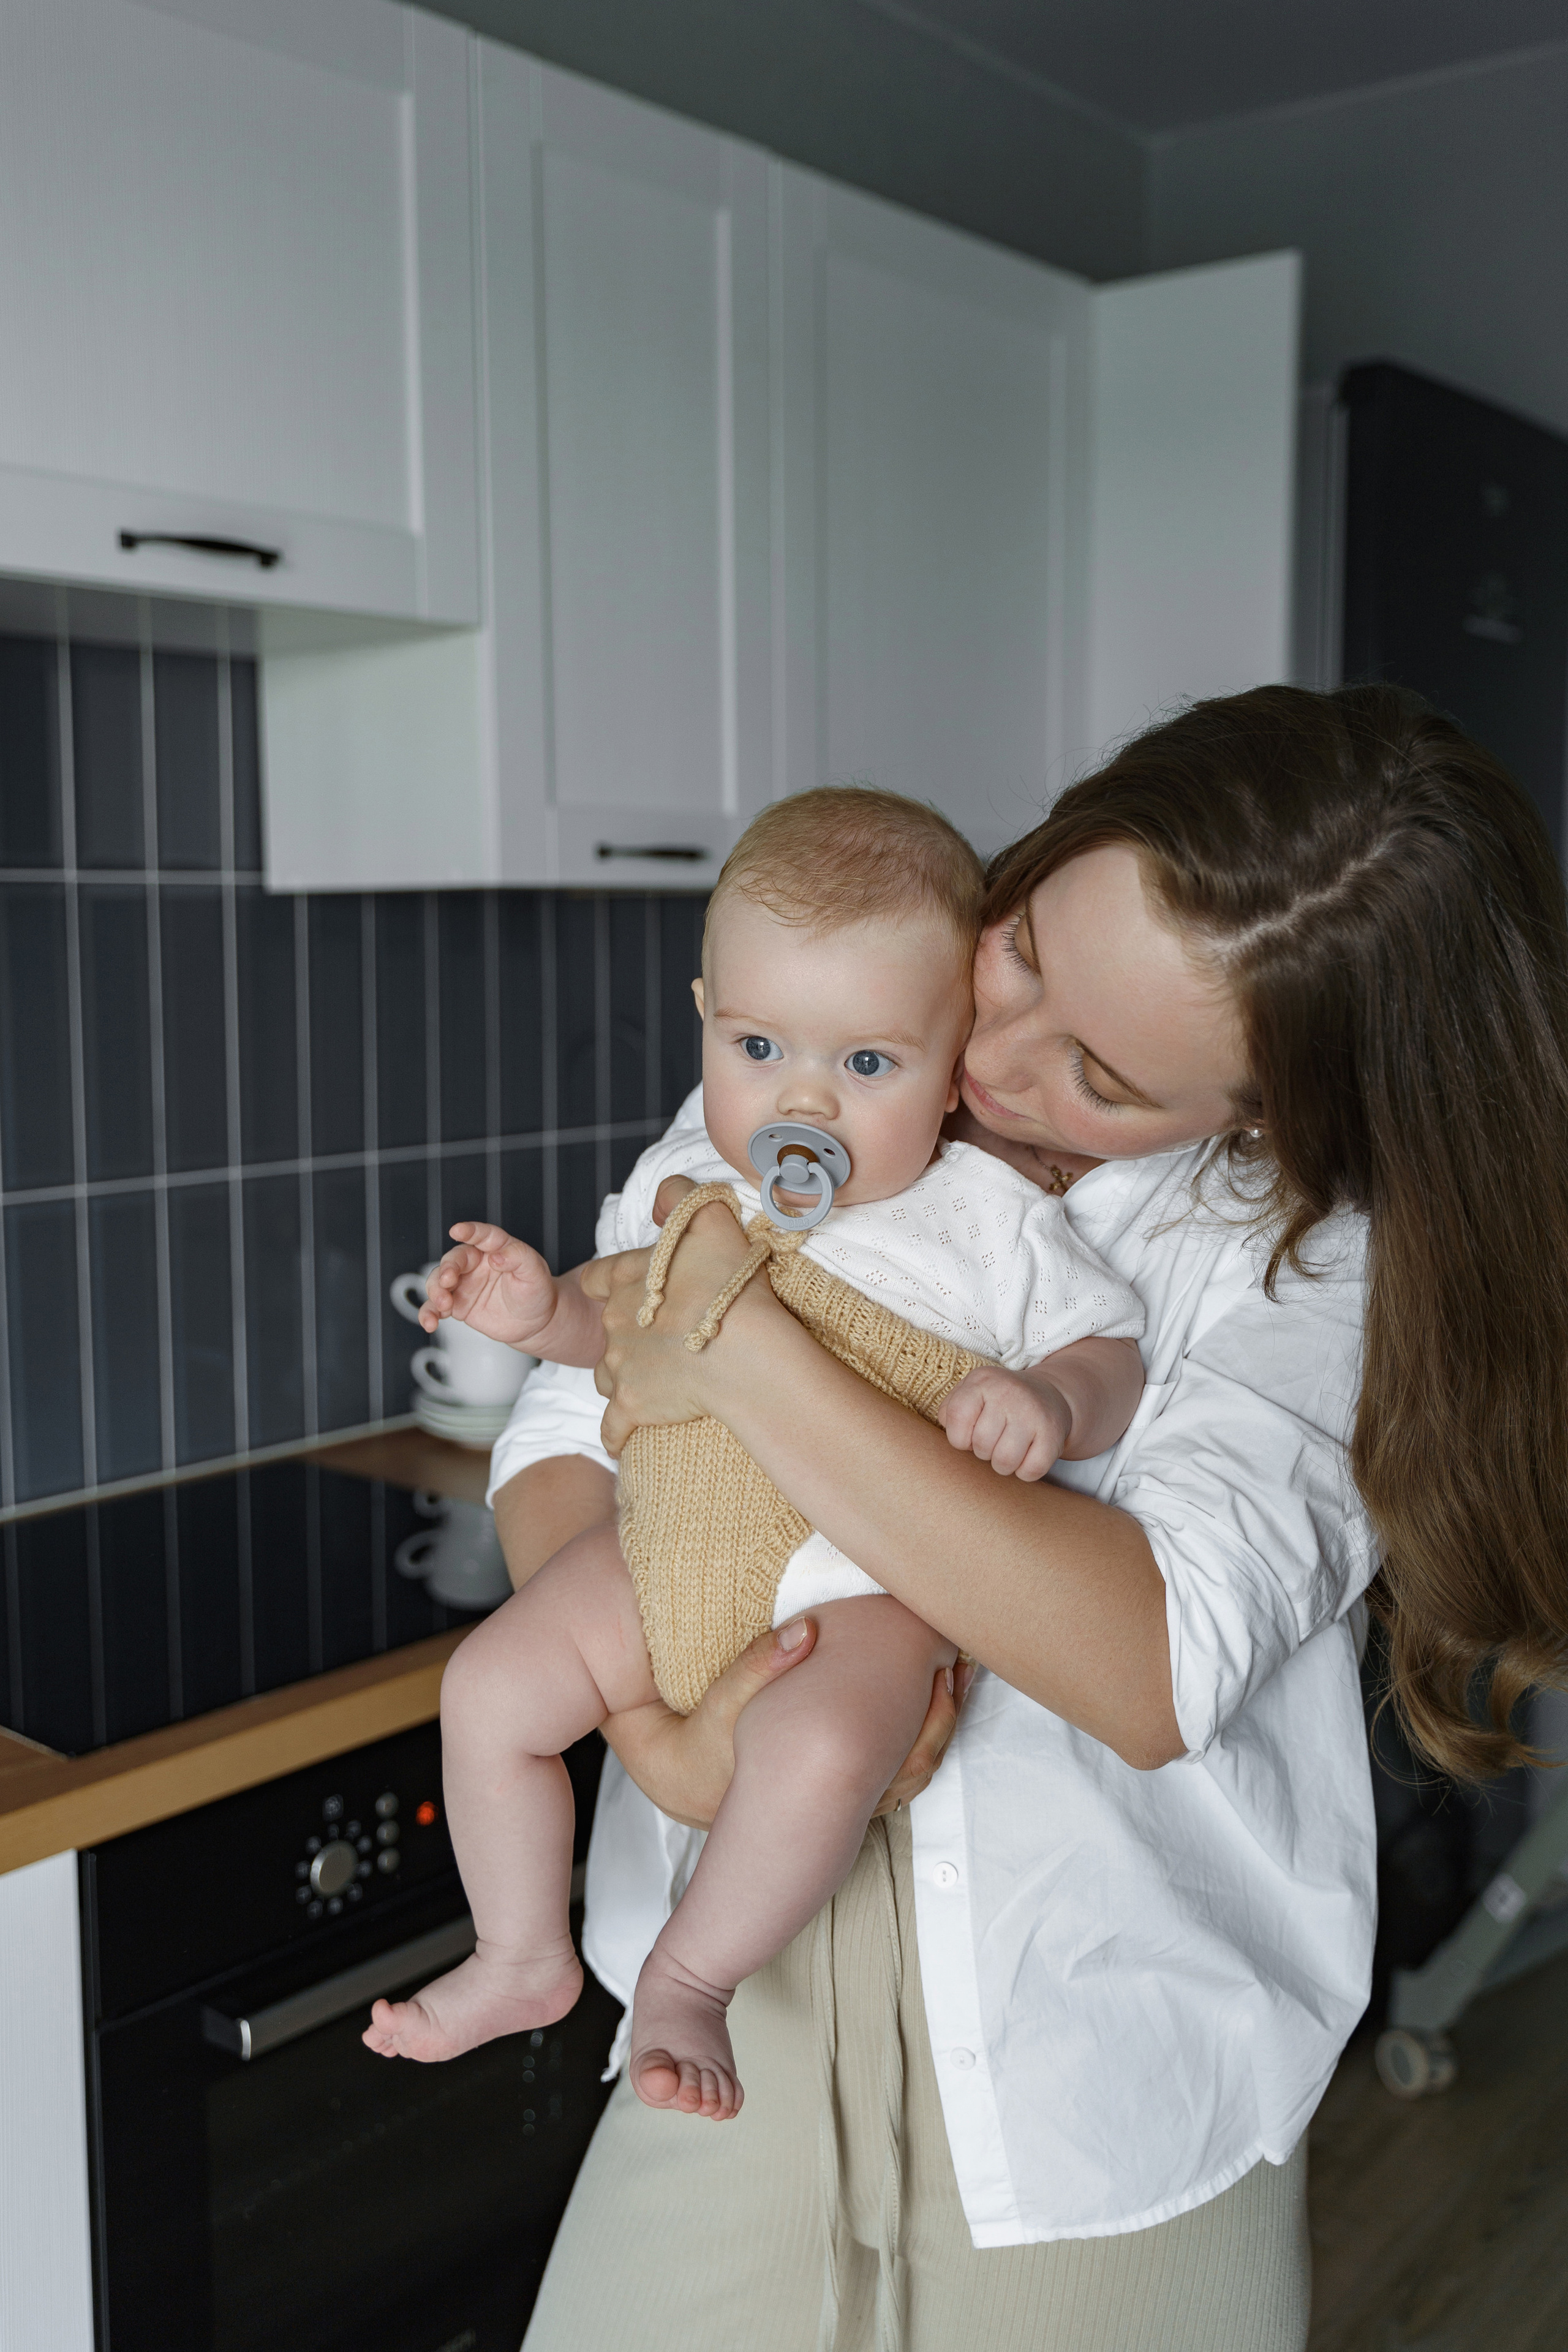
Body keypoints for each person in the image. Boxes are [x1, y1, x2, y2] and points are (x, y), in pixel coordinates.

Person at [483, 683, 1568, 2352]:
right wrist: (650, 1711)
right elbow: (576, 1427)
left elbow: (1143, 1657)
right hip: (732, 2007)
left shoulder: (1308, 1261)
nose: (985, 1065)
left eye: (1104, 1076)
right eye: (1026, 956)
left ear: (1261, 1115)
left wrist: (750, 1348)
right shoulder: (834, 1068)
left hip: (1094, 2096)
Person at [364, 791, 1145, 2120]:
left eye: (865, 1066)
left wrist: (1053, 1403)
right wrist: (532, 1306)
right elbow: (607, 1317)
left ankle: (691, 1976)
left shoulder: (984, 1217)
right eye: (758, 1044)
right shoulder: (694, 1179)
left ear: (955, 1062)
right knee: (492, 1686)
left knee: (825, 1751)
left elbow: (1109, 1347)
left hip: (855, 1589)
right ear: (705, 1014)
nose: (799, 1100)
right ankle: (519, 1953)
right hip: (661, 1550)